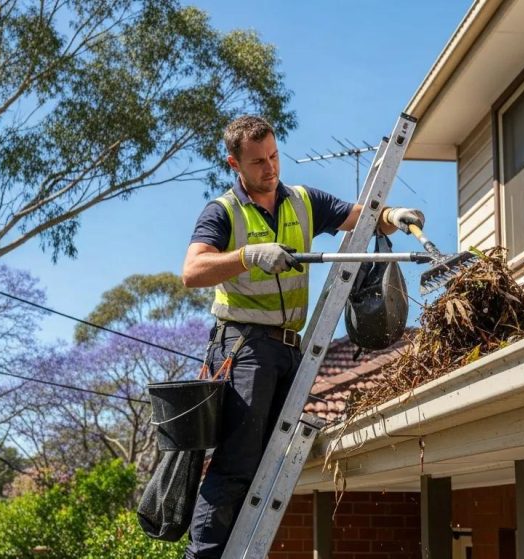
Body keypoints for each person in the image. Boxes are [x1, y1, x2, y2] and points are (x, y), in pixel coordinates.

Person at [181, 115, 425, 558]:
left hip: (290, 349)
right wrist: (249, 255)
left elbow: (359, 218)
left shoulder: (302, 201)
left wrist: (391, 216)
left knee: (266, 467)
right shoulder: (223, 211)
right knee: (237, 466)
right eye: (257, 162)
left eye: (274, 156)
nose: (270, 168)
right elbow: (192, 272)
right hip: (245, 345)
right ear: (234, 163)